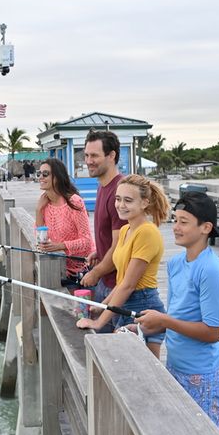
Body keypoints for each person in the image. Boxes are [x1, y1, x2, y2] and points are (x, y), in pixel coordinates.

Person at [134, 191, 219, 428]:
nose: (176, 227)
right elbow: (176, 314)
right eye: (174, 220)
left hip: (201, 371)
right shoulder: (176, 263)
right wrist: (143, 323)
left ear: (206, 227)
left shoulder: (210, 270)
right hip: (175, 363)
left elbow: (213, 332)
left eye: (183, 222)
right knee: (179, 430)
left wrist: (164, 321)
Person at [76, 174, 169, 357]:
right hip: (124, 305)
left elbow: (129, 285)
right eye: (118, 199)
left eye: (128, 200)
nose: (120, 205)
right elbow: (122, 280)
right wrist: (102, 305)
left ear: (144, 203)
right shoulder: (126, 229)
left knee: (145, 372)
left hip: (143, 307)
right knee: (127, 369)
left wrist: (98, 323)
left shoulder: (147, 232)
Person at [79, 130, 126, 311]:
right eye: (86, 155)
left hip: (118, 287)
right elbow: (110, 234)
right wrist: (99, 251)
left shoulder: (120, 191)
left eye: (94, 156)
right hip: (105, 280)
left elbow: (120, 246)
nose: (88, 161)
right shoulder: (102, 186)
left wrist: (95, 273)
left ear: (111, 155)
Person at [35, 158, 94, 283]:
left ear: (57, 177)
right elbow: (40, 238)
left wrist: (59, 246)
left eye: (45, 174)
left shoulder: (74, 201)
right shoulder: (44, 203)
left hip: (81, 271)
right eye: (38, 173)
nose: (40, 177)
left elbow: (87, 242)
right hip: (58, 268)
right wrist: (38, 210)